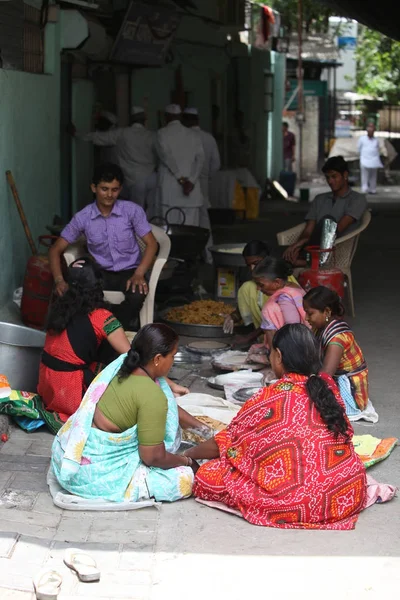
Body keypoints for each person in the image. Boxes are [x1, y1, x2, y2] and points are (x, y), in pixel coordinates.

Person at [184, 324, 367, 529]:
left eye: (270, 353)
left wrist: (187, 455)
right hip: (344, 494)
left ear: (278, 356)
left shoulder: (269, 396)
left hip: (295, 503)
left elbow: (226, 442)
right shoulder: (328, 391)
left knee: (207, 475)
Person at [51, 323, 212, 504]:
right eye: (173, 356)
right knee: (185, 479)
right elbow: (152, 457)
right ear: (158, 359)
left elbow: (169, 408)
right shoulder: (151, 394)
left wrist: (203, 429)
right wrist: (187, 462)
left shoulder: (124, 367)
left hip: (66, 454)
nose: (173, 362)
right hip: (92, 473)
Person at [48, 163, 158, 330]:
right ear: (94, 188)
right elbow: (55, 250)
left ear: (120, 190)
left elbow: (152, 244)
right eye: (104, 189)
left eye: (114, 189)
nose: (109, 195)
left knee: (137, 294)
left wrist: (139, 273)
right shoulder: (83, 217)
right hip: (101, 273)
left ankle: (111, 329)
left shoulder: (131, 211)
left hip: (130, 271)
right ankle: (106, 328)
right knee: (79, 291)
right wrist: (59, 281)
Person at [38, 258, 131, 430]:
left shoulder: (58, 308)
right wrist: (166, 382)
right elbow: (131, 355)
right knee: (120, 363)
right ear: (98, 286)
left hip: (48, 387)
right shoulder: (101, 317)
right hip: (69, 393)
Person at [283, 156, 367, 267]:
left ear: (345, 175)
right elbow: (308, 230)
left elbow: (338, 229)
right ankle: (300, 259)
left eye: (334, 176)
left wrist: (301, 243)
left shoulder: (357, 199)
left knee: (328, 222)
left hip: (336, 249)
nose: (330, 181)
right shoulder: (320, 199)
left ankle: (307, 262)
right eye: (327, 177)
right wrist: (297, 246)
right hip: (310, 247)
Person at [303, 286, 369, 411]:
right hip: (336, 379)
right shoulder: (320, 327)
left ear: (327, 312)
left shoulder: (337, 338)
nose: (306, 318)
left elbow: (326, 375)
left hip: (351, 392)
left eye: (310, 313)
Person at [75, 106, 157, 207]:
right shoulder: (152, 136)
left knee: (136, 213)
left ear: (131, 120)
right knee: (153, 212)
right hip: (152, 178)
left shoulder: (121, 134)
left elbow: (97, 137)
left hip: (135, 180)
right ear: (144, 120)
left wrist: (76, 133)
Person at [223, 241, 298, 347]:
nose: (252, 269)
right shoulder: (253, 286)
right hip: (267, 331)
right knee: (247, 287)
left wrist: (249, 337)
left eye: (256, 263)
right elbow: (250, 302)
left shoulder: (283, 284)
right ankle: (259, 336)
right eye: (249, 265)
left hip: (288, 337)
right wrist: (233, 317)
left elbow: (285, 321)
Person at [248, 257, 307, 360]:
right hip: (305, 344)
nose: (258, 289)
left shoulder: (285, 297)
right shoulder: (295, 288)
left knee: (268, 309)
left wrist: (273, 356)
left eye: (261, 285)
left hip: (294, 348)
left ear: (277, 282)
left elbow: (292, 326)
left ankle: (275, 358)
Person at [155, 104, 205, 227]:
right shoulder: (194, 135)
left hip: (170, 194)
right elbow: (200, 160)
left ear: (166, 117)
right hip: (191, 194)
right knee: (190, 232)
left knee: (169, 232)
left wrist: (181, 180)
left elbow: (167, 158)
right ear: (180, 117)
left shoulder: (162, 133)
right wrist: (191, 181)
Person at [358, 122, 383, 195]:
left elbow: (377, 149)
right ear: (367, 130)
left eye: (372, 128)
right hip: (364, 159)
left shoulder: (376, 140)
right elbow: (359, 149)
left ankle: (372, 189)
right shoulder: (362, 139)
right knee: (364, 175)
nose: (371, 130)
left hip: (374, 160)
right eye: (369, 128)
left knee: (373, 175)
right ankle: (364, 188)